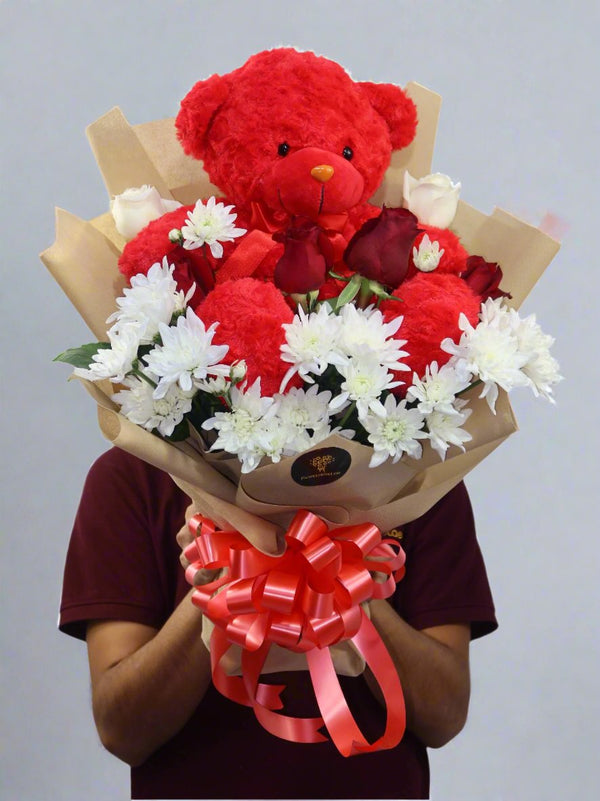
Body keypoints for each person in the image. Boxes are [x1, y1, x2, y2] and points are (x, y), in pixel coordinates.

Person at [59, 446, 497, 800]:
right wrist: (226, 579)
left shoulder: (416, 479)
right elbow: (123, 730)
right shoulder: (133, 475)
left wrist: (343, 576)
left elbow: (443, 715)